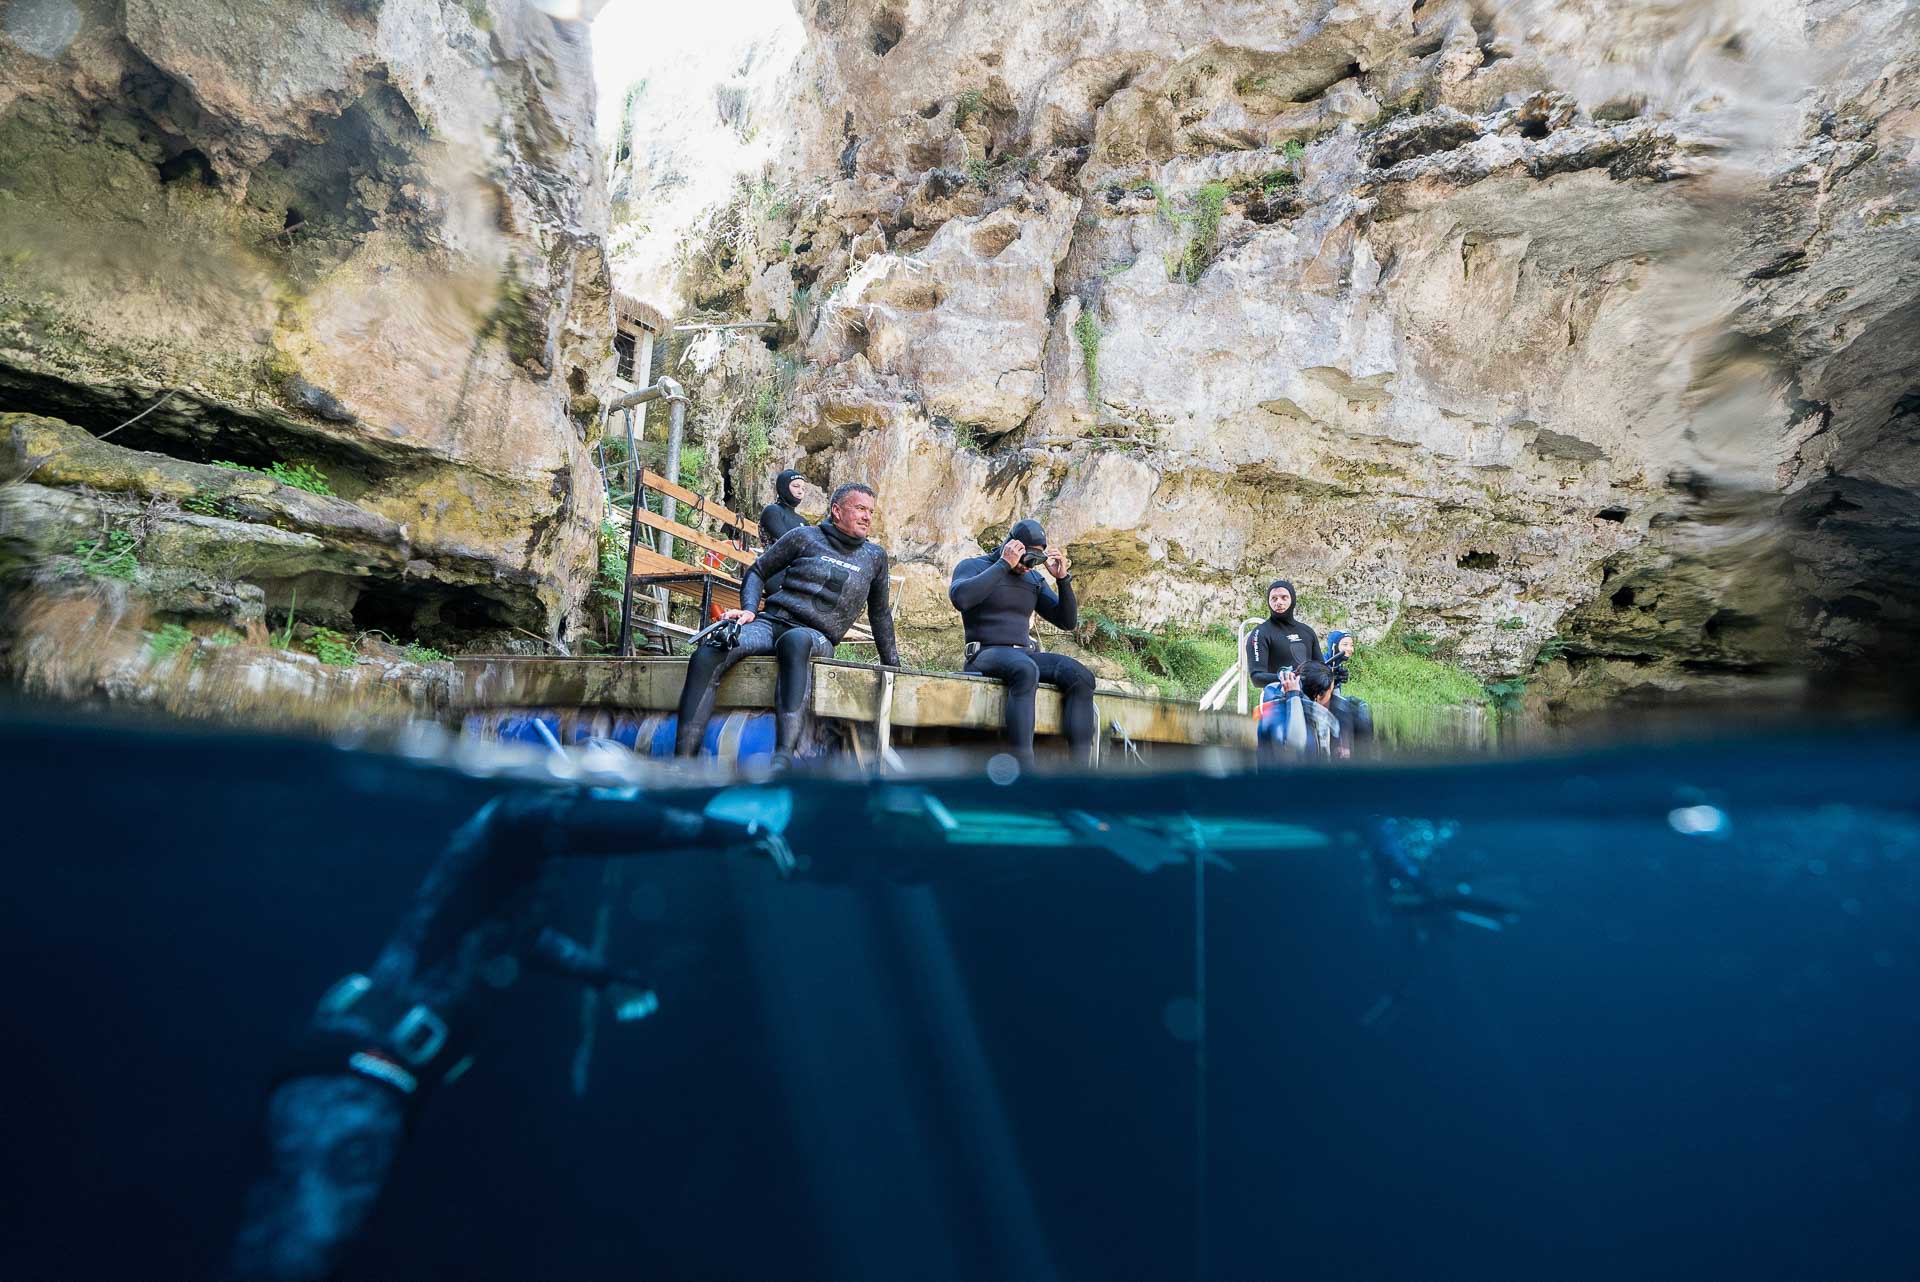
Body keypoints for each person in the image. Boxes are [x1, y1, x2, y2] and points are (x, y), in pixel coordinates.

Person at [226, 787, 790, 1282]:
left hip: (367, 1079)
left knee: (289, 1243)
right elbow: (598, 826)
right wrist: (719, 831)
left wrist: (601, 976)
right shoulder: (511, 818)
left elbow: (520, 937)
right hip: (356, 1082)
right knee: (304, 1248)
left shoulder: (509, 867)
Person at [674, 482, 900, 761]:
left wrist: (893, 666)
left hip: (815, 635)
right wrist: (749, 610)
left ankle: (783, 758)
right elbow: (758, 571)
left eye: (871, 511)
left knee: (795, 641)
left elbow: (880, 614)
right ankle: (683, 760)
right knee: (711, 649)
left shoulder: (874, 557)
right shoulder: (804, 537)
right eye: (861, 509)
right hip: (770, 623)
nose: (867, 517)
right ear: (837, 511)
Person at [948, 518, 1095, 768]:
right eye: (1028, 558)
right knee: (1026, 669)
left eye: (1037, 561)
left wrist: (1063, 579)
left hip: (1023, 656)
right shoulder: (973, 566)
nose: (1029, 566)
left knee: (1081, 676)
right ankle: (1024, 769)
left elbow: (1067, 621)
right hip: (984, 653)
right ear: (1012, 546)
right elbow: (961, 599)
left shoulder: (1033, 580)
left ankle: (1081, 773)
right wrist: (1004, 564)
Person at [1246, 579, 1321, 690]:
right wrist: (1290, 678)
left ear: (1292, 599)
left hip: (1309, 695)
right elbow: (1257, 678)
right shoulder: (1260, 633)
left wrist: (1334, 674)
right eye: (1274, 598)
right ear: (1268, 602)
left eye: (1284, 597)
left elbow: (1321, 669)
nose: (1279, 602)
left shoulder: (1307, 631)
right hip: (1278, 696)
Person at [1256, 659, 1338, 760]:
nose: (1330, 697)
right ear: (1318, 696)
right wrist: (1293, 696)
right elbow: (1296, 744)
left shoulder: (1274, 693)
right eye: (1330, 692)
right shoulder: (1285, 712)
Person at [759, 469, 808, 542]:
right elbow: (786, 541)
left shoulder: (802, 521)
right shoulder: (772, 511)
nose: (800, 491)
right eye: (796, 486)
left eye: (803, 489)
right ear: (784, 487)